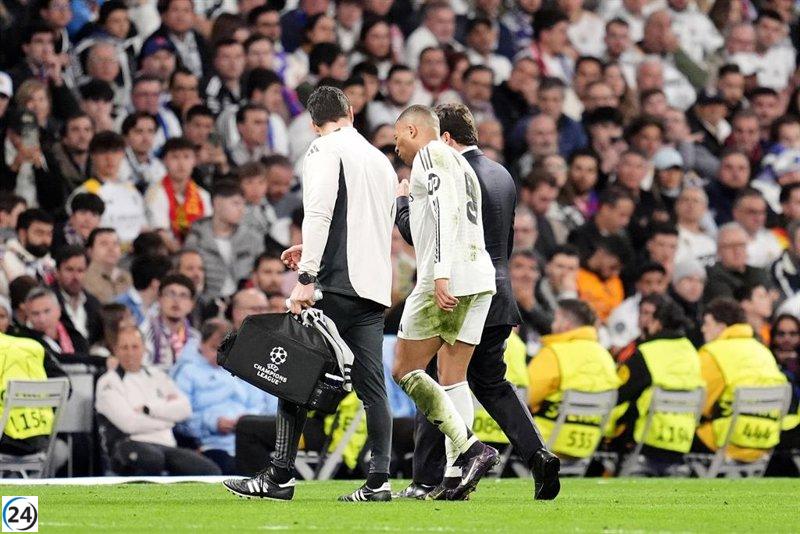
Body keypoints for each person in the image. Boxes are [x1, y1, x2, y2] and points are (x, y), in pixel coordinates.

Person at [225, 86, 396, 502]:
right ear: (351, 112)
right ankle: (379, 481)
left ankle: (279, 477)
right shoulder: (379, 159)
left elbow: (318, 213)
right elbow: (370, 223)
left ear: (313, 123)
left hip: (336, 283)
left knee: (293, 374)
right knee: (373, 386)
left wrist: (306, 275)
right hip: (374, 287)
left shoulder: (323, 150)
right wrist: (316, 251)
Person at [394, 103, 559, 501]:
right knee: (488, 382)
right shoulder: (502, 175)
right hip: (496, 289)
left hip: (455, 287)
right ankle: (537, 455)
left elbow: (430, 232)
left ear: (445, 138)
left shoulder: (449, 169)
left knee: (432, 377)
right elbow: (505, 242)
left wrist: (401, 204)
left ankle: (432, 476)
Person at [387, 104, 501, 501]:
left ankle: (471, 448)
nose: (396, 146)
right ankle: (455, 477)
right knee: (453, 377)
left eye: (398, 136)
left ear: (415, 131)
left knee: (404, 368)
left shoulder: (431, 155)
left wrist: (439, 272)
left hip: (448, 275)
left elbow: (442, 211)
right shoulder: (461, 163)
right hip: (480, 278)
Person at [95, 325, 221, 476]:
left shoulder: (157, 376)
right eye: (124, 347)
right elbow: (130, 424)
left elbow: (185, 409)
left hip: (167, 446)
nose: (130, 353)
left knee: (210, 470)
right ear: (115, 350)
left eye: (135, 347)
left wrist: (149, 410)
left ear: (143, 349)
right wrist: (168, 420)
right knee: (152, 460)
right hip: (129, 445)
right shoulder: (108, 382)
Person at [171, 318, 278, 475]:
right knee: (238, 470)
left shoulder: (242, 370)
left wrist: (246, 422)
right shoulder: (188, 372)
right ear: (201, 344)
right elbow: (181, 416)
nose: (220, 354)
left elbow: (259, 404)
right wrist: (213, 423)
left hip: (248, 442)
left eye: (226, 348)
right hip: (210, 445)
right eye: (214, 348)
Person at [613, 297, 703, 476]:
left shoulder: (648, 353)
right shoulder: (691, 351)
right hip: (682, 440)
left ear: (658, 323)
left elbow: (617, 393)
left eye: (649, 317)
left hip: (646, 439)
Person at [695, 298, 788, 462]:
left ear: (722, 327)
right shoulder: (762, 350)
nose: (703, 329)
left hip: (724, 441)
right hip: (764, 441)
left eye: (707, 323)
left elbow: (697, 405)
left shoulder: (712, 353)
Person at [527, 299, 620, 459]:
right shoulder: (605, 356)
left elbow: (524, 398)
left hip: (546, 442)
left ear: (566, 325)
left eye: (556, 319)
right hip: (589, 444)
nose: (552, 325)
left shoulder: (554, 354)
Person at [184, 181, 264, 299]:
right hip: (205, 301)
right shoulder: (196, 236)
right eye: (235, 203)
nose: (241, 209)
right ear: (217, 203)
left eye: (243, 204)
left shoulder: (253, 238)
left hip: (243, 300)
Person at [144, 137, 212, 251]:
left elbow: (209, 230)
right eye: (175, 157)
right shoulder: (155, 193)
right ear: (164, 161)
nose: (181, 164)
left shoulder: (203, 195)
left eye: (186, 157)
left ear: (194, 161)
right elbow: (160, 232)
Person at [141, 273, 200, 370]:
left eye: (183, 295)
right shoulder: (145, 332)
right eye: (170, 294)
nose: (176, 300)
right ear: (159, 299)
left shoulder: (196, 338)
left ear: (191, 305)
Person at [52, 245, 103, 346]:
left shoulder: (94, 304)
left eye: (80, 271)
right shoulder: (48, 302)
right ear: (57, 272)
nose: (75, 277)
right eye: (69, 270)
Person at [0, 208, 56, 296]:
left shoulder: (50, 263)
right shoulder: (4, 259)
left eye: (49, 234)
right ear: (22, 233)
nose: (46, 239)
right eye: (39, 233)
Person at [82, 228, 132, 304]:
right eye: (104, 244)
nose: (111, 249)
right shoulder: (83, 278)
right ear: (90, 251)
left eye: (115, 244)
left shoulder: (127, 277)